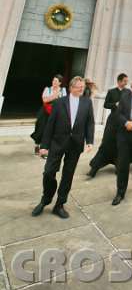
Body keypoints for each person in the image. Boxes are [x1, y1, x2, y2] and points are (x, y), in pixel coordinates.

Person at [31, 76, 94, 219]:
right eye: (79, 86)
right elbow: (50, 125)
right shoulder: (59, 102)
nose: (81, 89)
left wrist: (89, 141)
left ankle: (59, 204)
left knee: (68, 175)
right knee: (48, 172)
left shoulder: (87, 102)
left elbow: (90, 122)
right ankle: (45, 199)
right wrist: (44, 145)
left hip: (75, 144)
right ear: (71, 88)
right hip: (58, 143)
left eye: (83, 87)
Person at [87, 73, 129, 178]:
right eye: (124, 81)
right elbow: (106, 104)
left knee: (120, 145)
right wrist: (114, 104)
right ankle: (95, 168)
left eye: (126, 81)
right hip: (112, 121)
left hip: (123, 122)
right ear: (119, 81)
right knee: (106, 143)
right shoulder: (111, 92)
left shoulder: (128, 92)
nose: (126, 83)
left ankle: (118, 167)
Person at [31, 75, 66, 155]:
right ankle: (37, 145)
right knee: (40, 129)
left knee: (51, 131)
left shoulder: (63, 90)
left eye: (56, 81)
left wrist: (52, 97)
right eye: (53, 80)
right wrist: (55, 96)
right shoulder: (47, 89)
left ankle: (45, 149)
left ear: (60, 83)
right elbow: (45, 100)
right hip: (45, 112)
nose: (54, 82)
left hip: (56, 113)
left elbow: (64, 102)